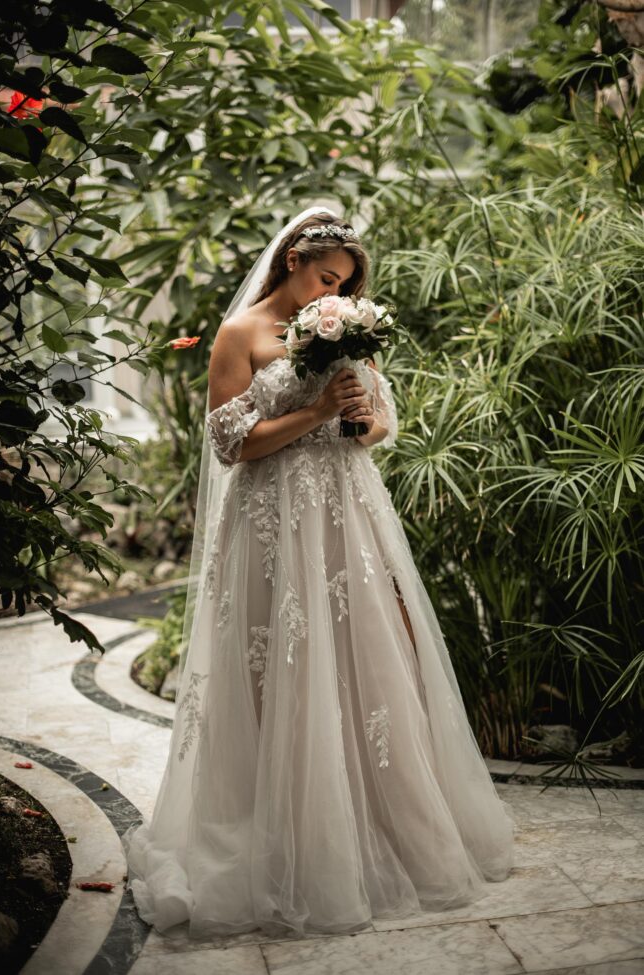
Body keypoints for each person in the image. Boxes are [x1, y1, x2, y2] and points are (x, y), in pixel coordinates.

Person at [121, 204, 515, 941]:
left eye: (344, 285)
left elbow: (382, 419)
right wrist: (317, 411)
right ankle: (278, 834)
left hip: (344, 512)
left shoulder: (347, 330)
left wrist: (363, 418)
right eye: (325, 278)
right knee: (278, 661)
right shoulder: (240, 335)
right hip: (271, 519)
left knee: (364, 656)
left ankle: (377, 827)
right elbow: (233, 443)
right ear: (292, 262)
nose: (332, 295)